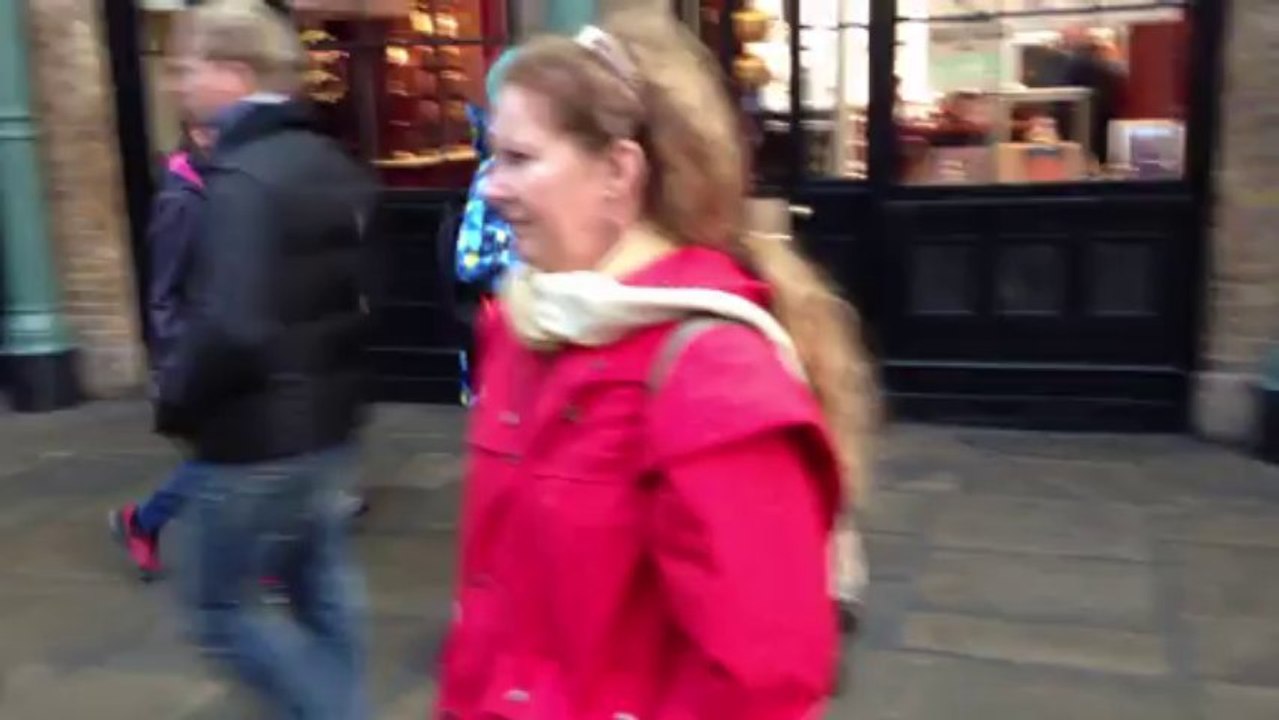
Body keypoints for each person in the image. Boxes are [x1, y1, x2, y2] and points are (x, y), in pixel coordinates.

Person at [436, 11, 877, 719]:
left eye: (519, 159)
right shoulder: (523, 325)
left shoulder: (711, 374)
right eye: (494, 157)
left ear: (617, 170)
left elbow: (761, 681)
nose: (489, 187)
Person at [156, 1, 376, 717]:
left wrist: (177, 396)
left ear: (232, 72)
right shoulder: (325, 158)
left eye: (187, 67)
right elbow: (369, 288)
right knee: (320, 588)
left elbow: (232, 324)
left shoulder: (242, 176)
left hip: (255, 436)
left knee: (219, 610)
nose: (176, 84)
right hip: (326, 426)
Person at [109, 120, 214, 580]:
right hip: (199, 354)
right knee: (229, 458)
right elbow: (164, 294)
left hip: (226, 341)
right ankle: (142, 521)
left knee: (233, 458)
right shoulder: (180, 201)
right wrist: (179, 364)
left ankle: (143, 521)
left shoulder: (219, 185)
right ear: (197, 132)